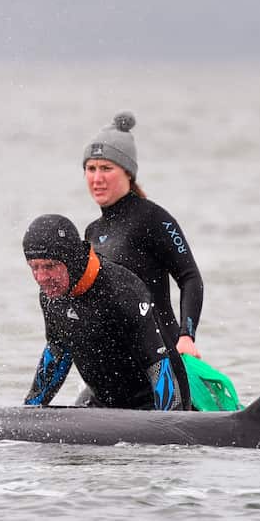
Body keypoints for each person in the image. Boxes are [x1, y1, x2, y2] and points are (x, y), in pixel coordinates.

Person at [22, 214, 188, 411]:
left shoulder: (122, 290)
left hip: (152, 404)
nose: (41, 277)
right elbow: (58, 353)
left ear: (72, 259)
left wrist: (171, 423)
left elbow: (157, 366)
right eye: (34, 267)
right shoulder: (52, 296)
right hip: (102, 404)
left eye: (49, 266)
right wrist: (28, 411)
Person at [81, 112, 204, 358]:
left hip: (161, 356)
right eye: (90, 168)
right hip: (119, 363)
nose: (97, 178)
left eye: (106, 168)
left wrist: (186, 336)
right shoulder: (92, 231)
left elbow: (190, 277)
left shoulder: (153, 218)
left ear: (128, 172)